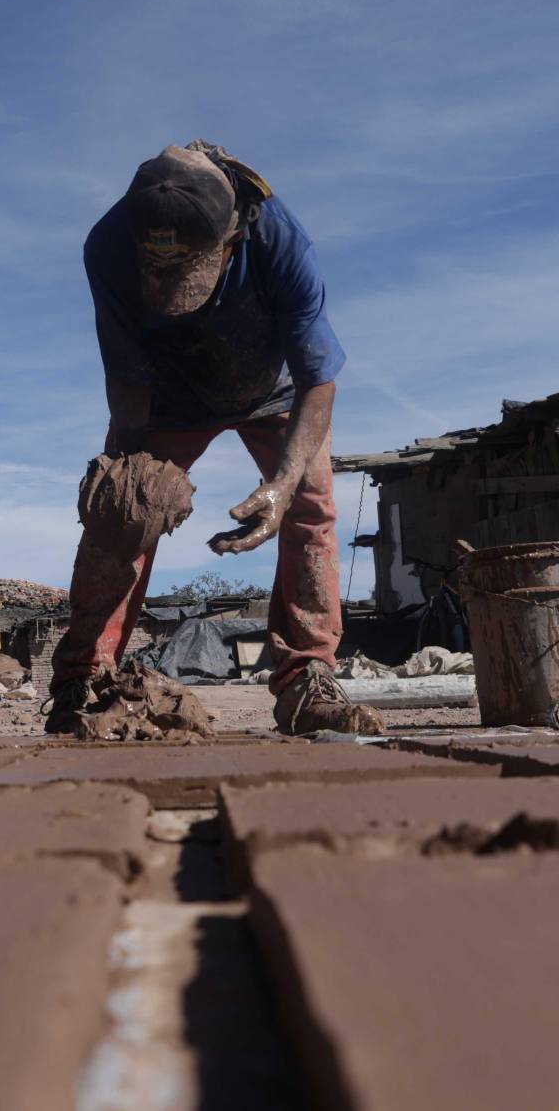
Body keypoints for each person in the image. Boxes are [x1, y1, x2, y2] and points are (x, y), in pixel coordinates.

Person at [44, 142, 382, 737]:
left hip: (273, 391)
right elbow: (124, 375)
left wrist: (281, 483)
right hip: (166, 397)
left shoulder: (278, 239)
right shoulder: (108, 245)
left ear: (233, 237)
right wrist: (128, 485)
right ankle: (85, 681)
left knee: (309, 506)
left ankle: (307, 681)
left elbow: (317, 380)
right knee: (122, 513)